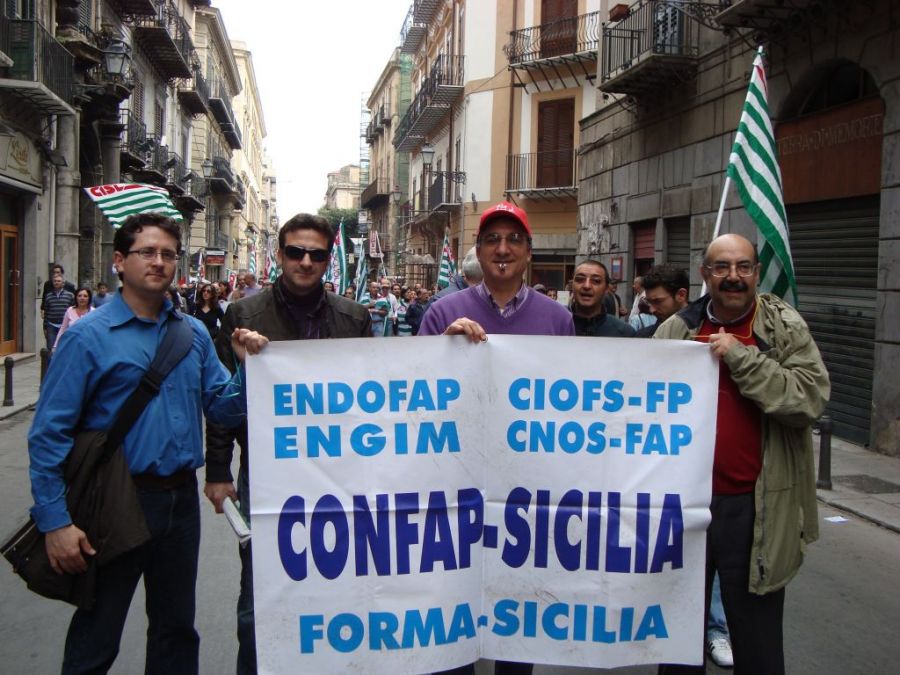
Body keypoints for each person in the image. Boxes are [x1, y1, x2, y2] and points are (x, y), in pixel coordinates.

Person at [28, 212, 267, 675]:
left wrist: (247, 370)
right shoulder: (87, 337)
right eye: (147, 252)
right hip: (115, 500)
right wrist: (55, 522)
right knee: (98, 634)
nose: (159, 262)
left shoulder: (192, 334)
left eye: (168, 254)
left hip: (179, 502)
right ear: (119, 261)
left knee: (175, 631)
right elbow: (48, 435)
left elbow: (221, 409)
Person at [654, 233, 830, 674]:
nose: (733, 276)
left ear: (756, 272)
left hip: (754, 510)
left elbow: (808, 400)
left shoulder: (783, 328)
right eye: (721, 267)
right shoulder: (677, 329)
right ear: (705, 274)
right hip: (682, 510)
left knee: (757, 643)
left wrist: (742, 358)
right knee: (674, 642)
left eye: (743, 266)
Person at [204, 213, 371, 674]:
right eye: (296, 252)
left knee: (338, 589)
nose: (306, 261)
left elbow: (374, 397)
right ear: (280, 255)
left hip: (338, 478)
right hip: (266, 476)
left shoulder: (354, 318)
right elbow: (221, 401)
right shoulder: (242, 315)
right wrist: (217, 471)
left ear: (328, 260)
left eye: (316, 254)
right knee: (260, 597)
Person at [421, 202, 572, 675]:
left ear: (528, 251)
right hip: (456, 485)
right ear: (479, 250)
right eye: (492, 240)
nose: (502, 249)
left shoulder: (558, 319)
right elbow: (414, 398)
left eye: (513, 240)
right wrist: (444, 350)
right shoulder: (443, 312)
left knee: (517, 611)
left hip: (523, 490)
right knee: (454, 607)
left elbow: (569, 404)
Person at [570, 260, 635, 337]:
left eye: (596, 281)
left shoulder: (624, 332)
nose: (587, 286)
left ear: (606, 288)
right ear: (572, 285)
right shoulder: (558, 324)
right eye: (580, 279)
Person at [636, 264, 690, 338]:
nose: (652, 310)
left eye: (657, 301)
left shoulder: (702, 332)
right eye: (649, 302)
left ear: (681, 295)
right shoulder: (642, 337)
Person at [53, 286, 93, 350]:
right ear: (76, 298)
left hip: (88, 347)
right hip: (71, 346)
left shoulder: (93, 312)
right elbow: (62, 329)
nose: (82, 298)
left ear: (89, 298)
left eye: (85, 296)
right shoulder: (70, 310)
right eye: (79, 296)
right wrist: (55, 346)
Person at [42, 274, 76, 351]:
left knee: (65, 348)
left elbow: (73, 311)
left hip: (65, 325)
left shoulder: (70, 295)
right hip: (51, 325)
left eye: (58, 281)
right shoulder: (48, 296)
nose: (56, 283)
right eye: (55, 281)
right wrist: (45, 327)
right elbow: (46, 312)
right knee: (51, 348)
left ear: (63, 283)